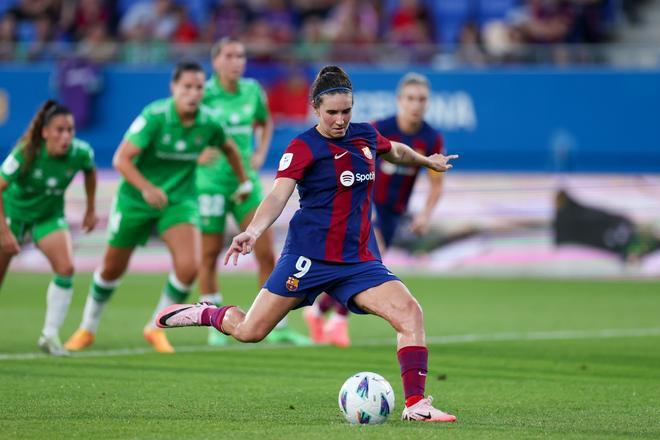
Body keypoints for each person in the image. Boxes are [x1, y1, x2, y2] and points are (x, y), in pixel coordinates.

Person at [157, 65, 459, 422]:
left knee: (410, 313)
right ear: (316, 109)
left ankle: (416, 405)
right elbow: (276, 197)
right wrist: (252, 232)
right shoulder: (303, 146)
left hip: (358, 262)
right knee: (250, 331)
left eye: (346, 110)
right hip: (308, 258)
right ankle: (207, 312)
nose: (340, 119)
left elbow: (396, 151)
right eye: (332, 112)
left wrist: (427, 161)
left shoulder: (365, 136)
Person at [64, 61, 250, 353]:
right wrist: (147, 188)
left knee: (189, 266)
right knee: (113, 268)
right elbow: (121, 159)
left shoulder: (210, 123)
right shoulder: (154, 116)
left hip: (179, 201)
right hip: (135, 199)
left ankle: (154, 327)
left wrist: (243, 182)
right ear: (173, 88)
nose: (193, 93)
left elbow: (229, 148)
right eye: (186, 86)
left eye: (199, 87)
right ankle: (87, 328)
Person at [304, 72, 446, 348]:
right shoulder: (379, 129)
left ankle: (319, 311)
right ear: (399, 100)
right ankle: (338, 322)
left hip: (395, 211)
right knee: (369, 265)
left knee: (362, 267)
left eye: (422, 99)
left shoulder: (431, 138)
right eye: (411, 98)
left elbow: (435, 184)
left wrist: (425, 215)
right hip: (367, 208)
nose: (416, 104)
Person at [196, 37, 308, 346]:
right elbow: (182, 130)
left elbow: (265, 122)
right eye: (230, 55)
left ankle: (278, 324)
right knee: (208, 255)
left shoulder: (252, 92)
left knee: (267, 253)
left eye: (241, 55)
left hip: (245, 183)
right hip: (211, 184)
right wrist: (196, 155)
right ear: (216, 60)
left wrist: (260, 152)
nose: (237, 61)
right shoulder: (203, 93)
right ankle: (213, 321)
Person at [0, 99, 98, 356]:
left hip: (48, 217)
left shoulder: (81, 152)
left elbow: (90, 172)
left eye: (70, 130)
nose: (65, 136)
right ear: (45, 132)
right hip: (13, 215)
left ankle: (50, 335)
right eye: (59, 130)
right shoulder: (25, 153)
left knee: (66, 268)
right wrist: (4, 232)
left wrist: (90, 208)